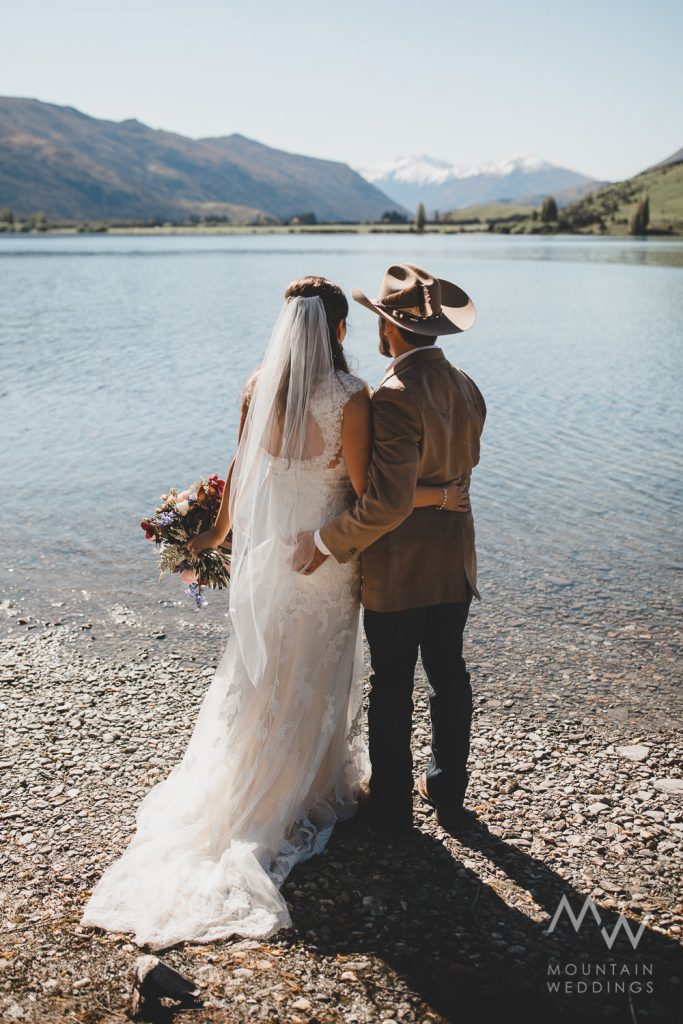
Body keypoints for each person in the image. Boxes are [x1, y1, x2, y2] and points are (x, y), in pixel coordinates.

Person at [79, 276, 466, 950]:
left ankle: (251, 780)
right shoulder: (350, 396)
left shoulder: (258, 385)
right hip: (321, 558)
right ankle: (305, 787)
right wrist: (433, 497)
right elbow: (366, 491)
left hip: (268, 555)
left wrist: (214, 534)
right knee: (314, 669)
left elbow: (240, 466)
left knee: (262, 671)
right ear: (338, 330)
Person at [296, 264, 486, 835]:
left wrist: (325, 541)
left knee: (393, 686)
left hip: (400, 569)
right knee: (448, 675)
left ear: (388, 328)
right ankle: (448, 790)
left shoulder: (393, 395)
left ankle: (393, 808)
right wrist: (444, 495)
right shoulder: (466, 385)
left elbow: (385, 503)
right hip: (454, 560)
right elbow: (464, 469)